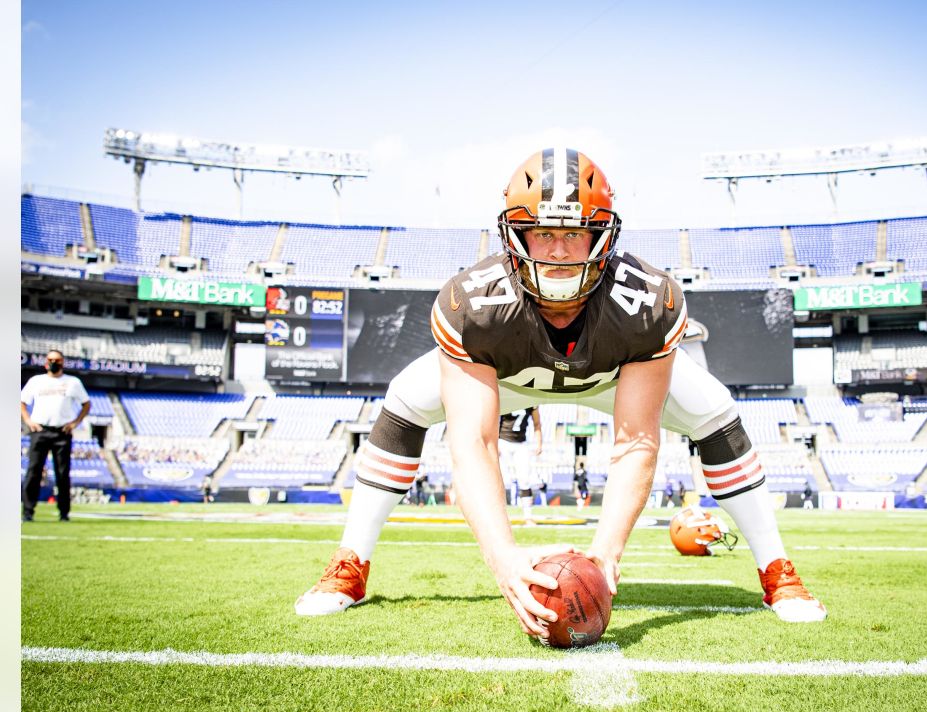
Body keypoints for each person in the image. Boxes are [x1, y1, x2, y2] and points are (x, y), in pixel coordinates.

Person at [294, 148, 826, 634]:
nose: (559, 250)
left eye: (575, 234)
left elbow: (636, 440)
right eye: (543, 233)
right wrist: (504, 561)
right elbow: (474, 445)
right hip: (503, 376)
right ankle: (351, 564)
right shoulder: (473, 305)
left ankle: (776, 568)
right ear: (514, 236)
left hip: (612, 374)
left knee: (715, 411)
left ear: (603, 237)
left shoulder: (648, 300)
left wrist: (607, 553)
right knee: (404, 401)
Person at [20, 349, 90, 522]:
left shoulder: (72, 382)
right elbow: (22, 402)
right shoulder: (36, 381)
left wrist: (75, 423)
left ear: (62, 362)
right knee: (33, 472)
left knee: (62, 474)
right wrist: (28, 421)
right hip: (40, 431)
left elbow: (86, 404)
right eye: (51, 359)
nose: (54, 362)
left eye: (57, 360)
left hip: (62, 433)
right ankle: (28, 512)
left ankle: (64, 513)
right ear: (45, 363)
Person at [498, 407, 544, 525]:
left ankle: (528, 516)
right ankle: (498, 516)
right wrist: (494, 442)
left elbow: (537, 424)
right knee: (501, 480)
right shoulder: (508, 399)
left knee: (525, 480)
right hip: (503, 441)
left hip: (521, 443)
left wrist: (539, 443)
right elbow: (494, 420)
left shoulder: (532, 403)